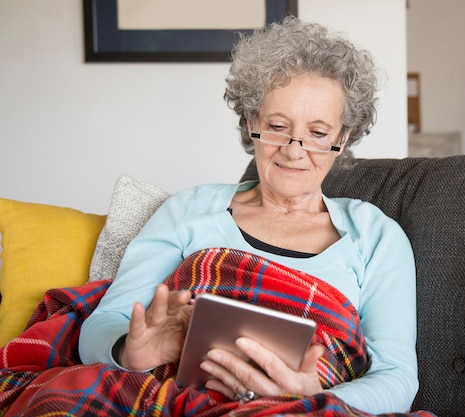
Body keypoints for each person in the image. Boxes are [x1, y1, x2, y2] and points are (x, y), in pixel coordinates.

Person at [79, 16, 418, 414]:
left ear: (342, 139)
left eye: (319, 133)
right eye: (277, 126)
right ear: (250, 122)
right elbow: (102, 327)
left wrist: (315, 400)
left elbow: (397, 376)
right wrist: (128, 351)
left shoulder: (375, 235)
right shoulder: (188, 210)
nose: (294, 150)